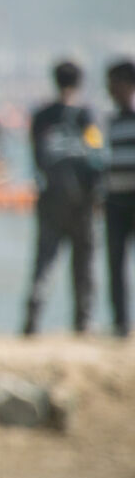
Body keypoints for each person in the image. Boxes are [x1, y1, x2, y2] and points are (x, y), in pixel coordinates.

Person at [22, 61, 103, 336]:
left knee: (45, 261)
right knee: (84, 263)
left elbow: (35, 157)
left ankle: (32, 319)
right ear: (79, 82)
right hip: (82, 201)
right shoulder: (86, 115)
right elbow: (97, 157)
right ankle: (84, 322)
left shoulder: (42, 115)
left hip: (50, 199)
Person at [104, 59, 135, 339]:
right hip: (115, 201)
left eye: (114, 83)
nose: (109, 89)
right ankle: (120, 324)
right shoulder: (111, 120)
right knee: (115, 264)